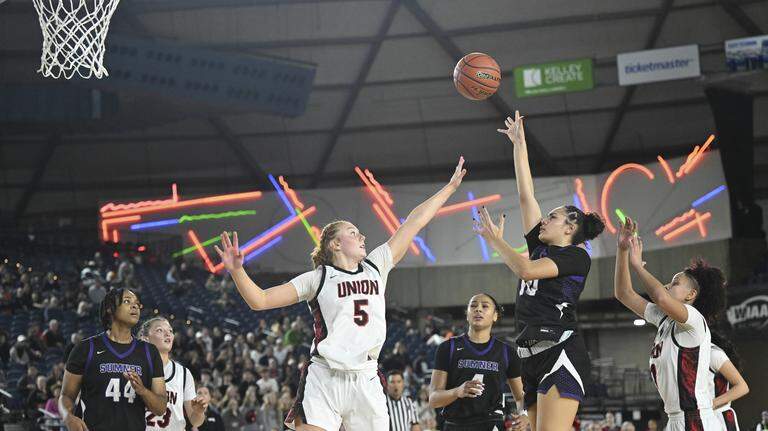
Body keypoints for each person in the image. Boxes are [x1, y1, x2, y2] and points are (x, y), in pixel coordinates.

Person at [215, 158, 467, 431]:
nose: (362, 238)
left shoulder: (376, 265)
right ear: (336, 243)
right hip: (325, 376)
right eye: (353, 233)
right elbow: (260, 300)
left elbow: (413, 223)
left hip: (366, 376)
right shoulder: (318, 278)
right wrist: (237, 270)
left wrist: (450, 188)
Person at [475, 111, 605, 431]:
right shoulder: (541, 247)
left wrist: (496, 241)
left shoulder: (577, 256)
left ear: (570, 228)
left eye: (553, 217)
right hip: (529, 356)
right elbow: (525, 195)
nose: (543, 220)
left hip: (560, 350)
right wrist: (520, 146)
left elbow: (526, 270)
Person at [614, 218, 726, 431]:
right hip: (675, 418)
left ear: (691, 295)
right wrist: (622, 250)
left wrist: (638, 265)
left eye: (675, 283)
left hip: (696, 419)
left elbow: (661, 297)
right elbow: (623, 293)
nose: (667, 285)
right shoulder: (665, 319)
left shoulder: (694, 321)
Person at [59, 288, 167, 431]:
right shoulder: (86, 348)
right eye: (127, 301)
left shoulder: (149, 352)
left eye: (137, 304)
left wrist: (143, 391)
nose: (135, 306)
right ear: (110, 309)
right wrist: (68, 417)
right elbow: (66, 396)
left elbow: (160, 408)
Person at [428, 293, 527, 431]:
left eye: (485, 306)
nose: (478, 309)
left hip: (492, 423)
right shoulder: (448, 348)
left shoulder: (507, 352)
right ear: (467, 314)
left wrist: (524, 414)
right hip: (455, 424)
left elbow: (520, 396)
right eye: (473, 306)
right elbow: (433, 399)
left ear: (495, 316)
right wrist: (457, 392)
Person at [139, 316, 208, 430]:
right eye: (160, 330)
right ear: (145, 338)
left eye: (170, 331)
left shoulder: (183, 373)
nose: (168, 334)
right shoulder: (132, 369)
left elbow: (195, 421)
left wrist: (199, 412)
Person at [709, 339, 749, 431]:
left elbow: (742, 387)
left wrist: (710, 404)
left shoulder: (713, 353)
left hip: (719, 417)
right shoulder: (684, 355)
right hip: (697, 417)